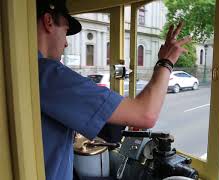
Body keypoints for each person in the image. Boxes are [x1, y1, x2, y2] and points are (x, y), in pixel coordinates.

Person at [36, 0, 191, 179]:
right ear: (48, 22)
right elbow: (146, 114)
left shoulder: (29, 71)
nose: (66, 44)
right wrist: (167, 61)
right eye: (64, 31)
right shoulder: (50, 74)